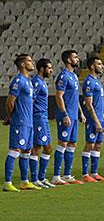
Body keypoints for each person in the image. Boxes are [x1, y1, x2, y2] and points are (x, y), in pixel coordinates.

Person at [3, 54, 38, 192]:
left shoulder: (28, 81)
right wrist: (12, 117)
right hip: (20, 121)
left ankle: (24, 182)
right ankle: (7, 182)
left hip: (29, 122)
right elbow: (10, 102)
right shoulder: (18, 80)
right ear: (22, 64)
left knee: (27, 151)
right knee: (15, 150)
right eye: (29, 61)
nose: (32, 62)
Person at [53, 50, 86, 185]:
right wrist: (64, 114)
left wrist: (81, 112)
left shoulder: (74, 76)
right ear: (68, 60)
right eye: (75, 57)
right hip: (66, 116)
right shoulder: (63, 76)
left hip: (73, 115)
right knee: (63, 143)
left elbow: (75, 97)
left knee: (72, 144)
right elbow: (59, 96)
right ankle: (56, 177)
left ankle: (67, 175)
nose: (77, 59)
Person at [81, 56, 104, 182]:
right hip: (93, 119)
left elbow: (99, 104)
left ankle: (94, 173)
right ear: (92, 66)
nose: (102, 66)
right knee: (90, 144)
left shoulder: (97, 82)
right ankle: (85, 174)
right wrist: (96, 121)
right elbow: (89, 104)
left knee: (98, 145)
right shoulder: (89, 82)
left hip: (100, 119)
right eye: (99, 64)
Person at [30, 58, 55, 189]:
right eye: (49, 68)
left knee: (48, 148)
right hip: (38, 118)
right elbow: (30, 100)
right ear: (41, 69)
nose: (51, 71)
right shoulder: (36, 82)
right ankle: (35, 179)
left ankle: (41, 177)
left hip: (43, 118)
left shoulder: (42, 82)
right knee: (37, 148)